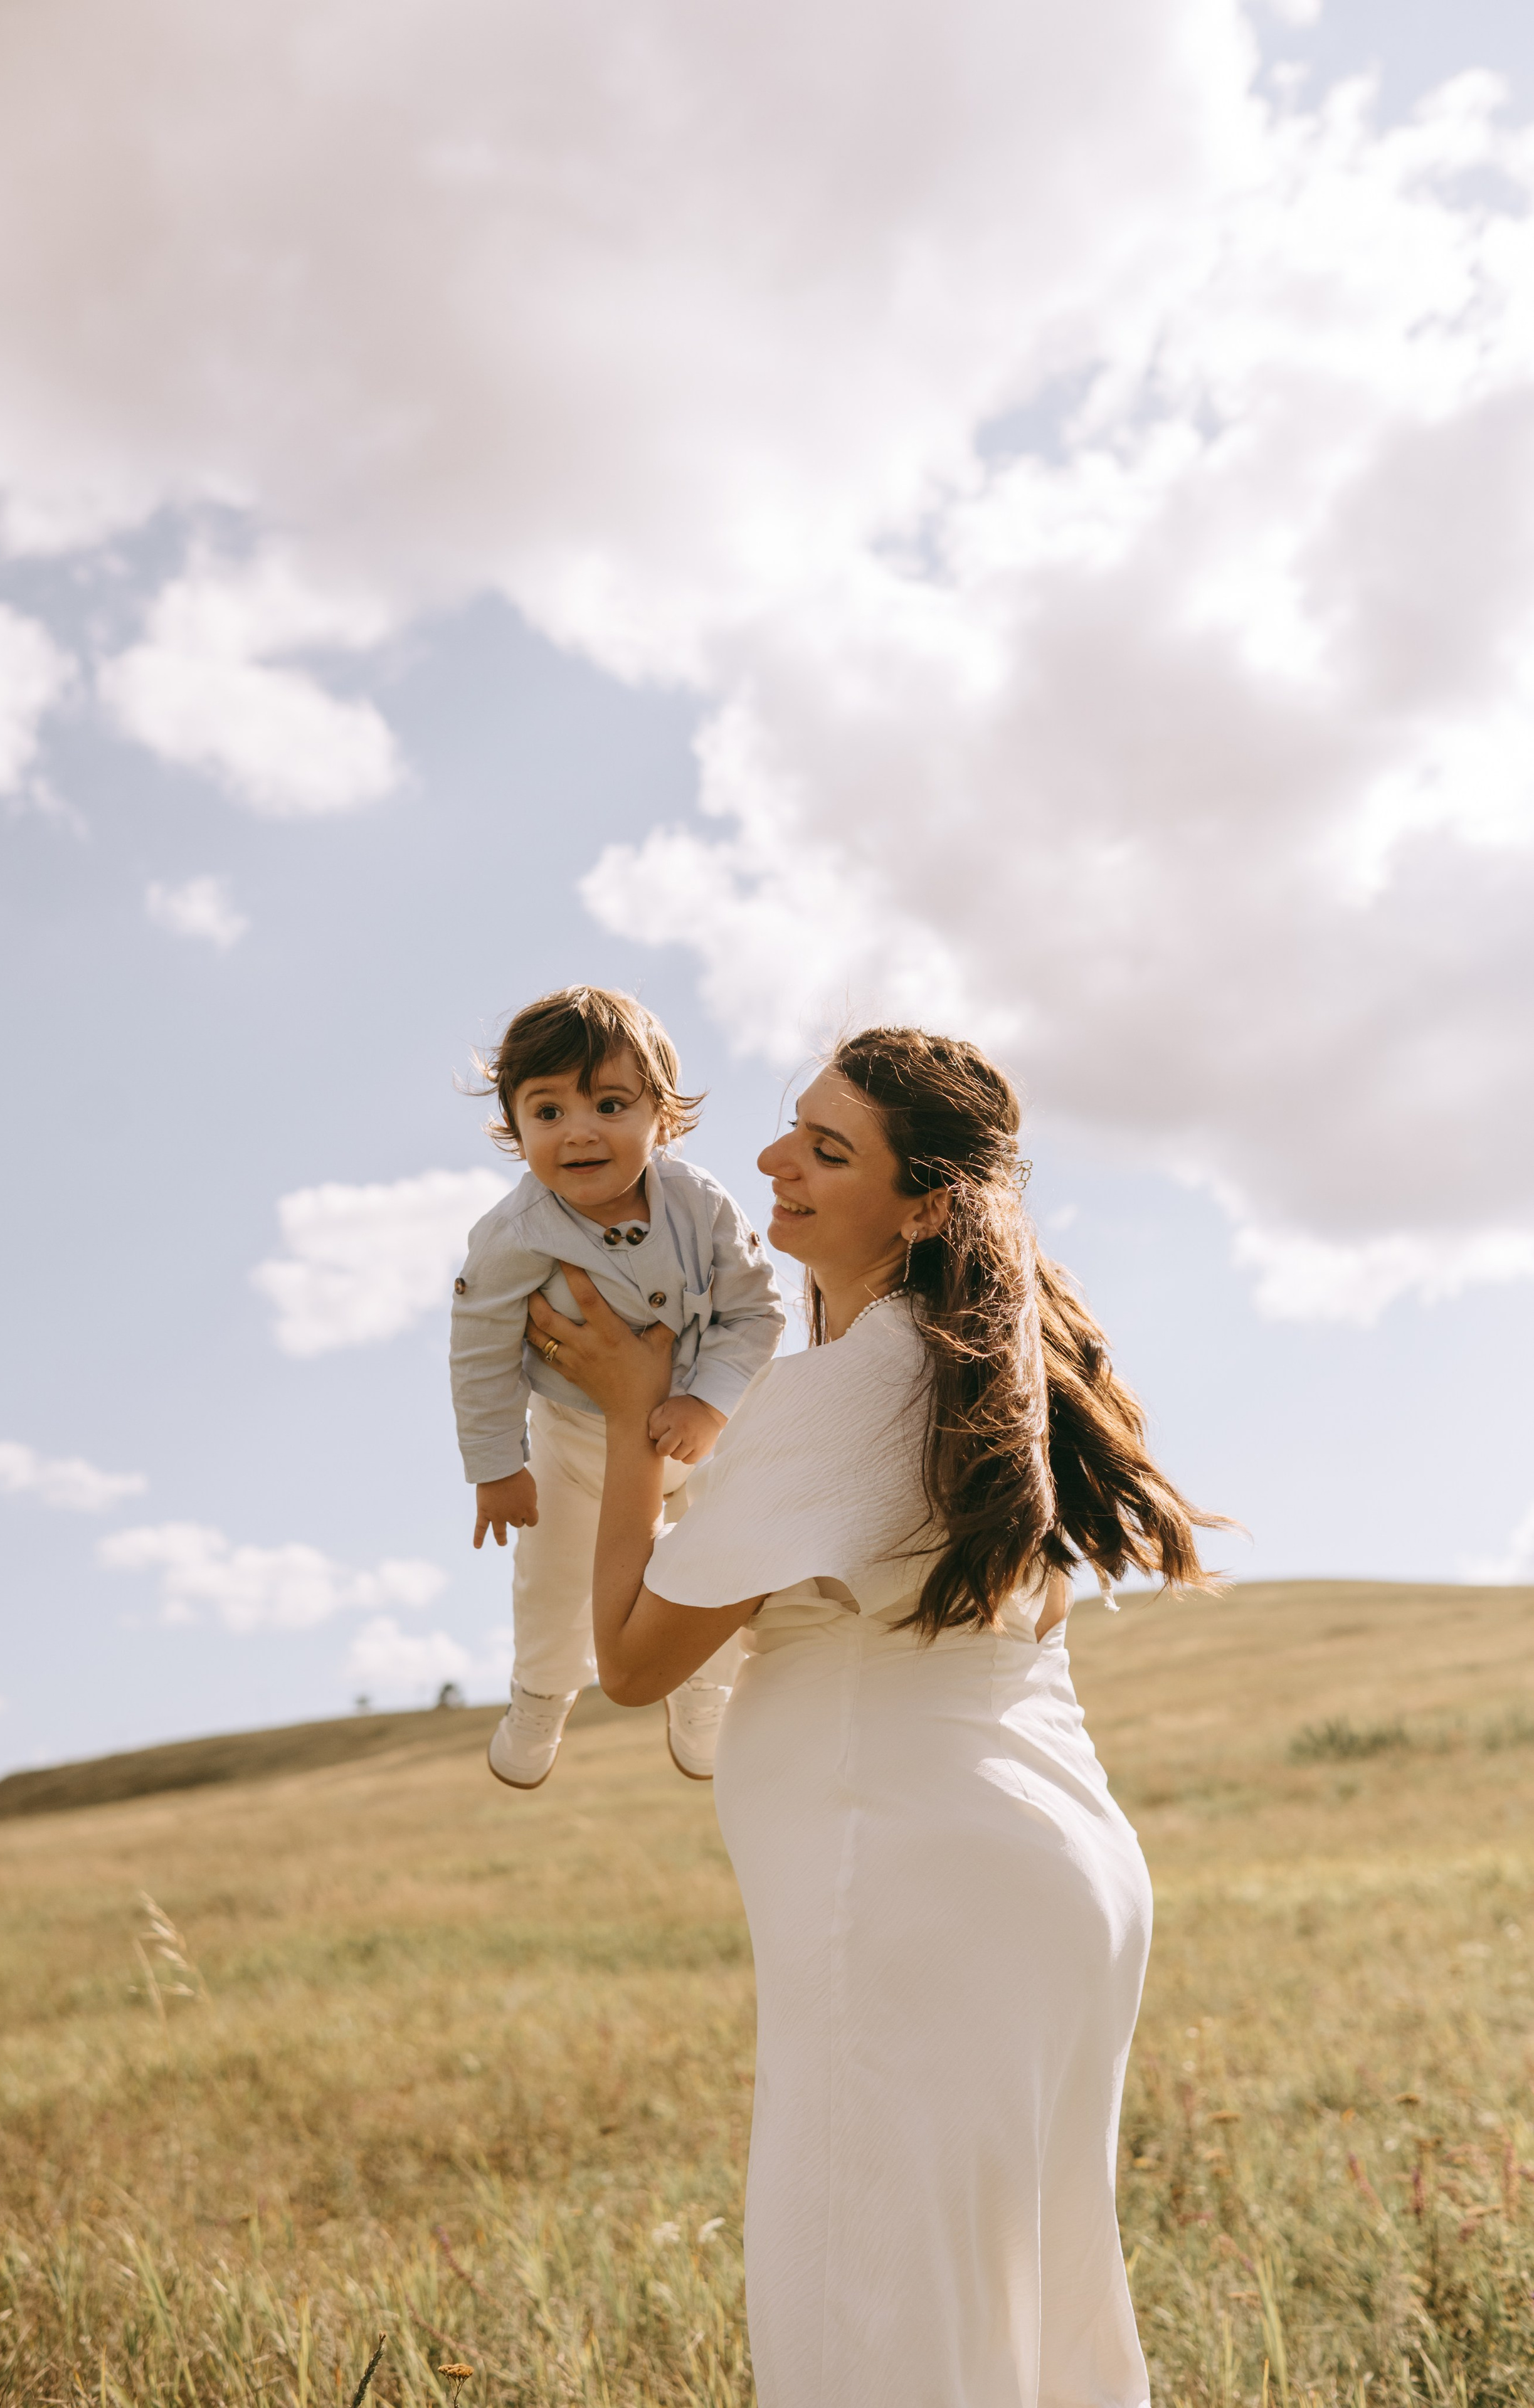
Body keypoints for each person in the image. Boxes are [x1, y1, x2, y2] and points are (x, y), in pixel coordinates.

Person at [526, 1025, 1224, 2408]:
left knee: (874, 2313)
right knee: (1017, 2309)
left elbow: (632, 1659)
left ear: (921, 1206)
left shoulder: (847, 1386)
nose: (773, 1161)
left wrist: (622, 1419)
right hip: (1045, 1874)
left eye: (825, 1149)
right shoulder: (963, 1374)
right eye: (791, 1127)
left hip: (906, 1884)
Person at [450, 986, 785, 1788]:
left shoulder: (700, 1205)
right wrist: (497, 1467)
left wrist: (709, 1401)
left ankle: (704, 1694)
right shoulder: (512, 1236)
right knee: (555, 1584)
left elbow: (755, 1310)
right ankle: (540, 1699)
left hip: (701, 1437)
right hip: (575, 1445)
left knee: (713, 1569)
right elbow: (480, 1350)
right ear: (516, 1128)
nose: (580, 1132)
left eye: (608, 1103)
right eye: (548, 1112)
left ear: (661, 1118)